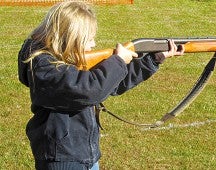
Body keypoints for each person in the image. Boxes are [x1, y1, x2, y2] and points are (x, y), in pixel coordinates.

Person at [18, 1, 184, 170]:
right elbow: (90, 89)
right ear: (69, 38)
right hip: (62, 160)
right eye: (89, 39)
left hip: (84, 154)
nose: (93, 44)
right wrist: (118, 61)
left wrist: (152, 60)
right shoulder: (45, 68)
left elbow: (108, 84)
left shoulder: (63, 62)